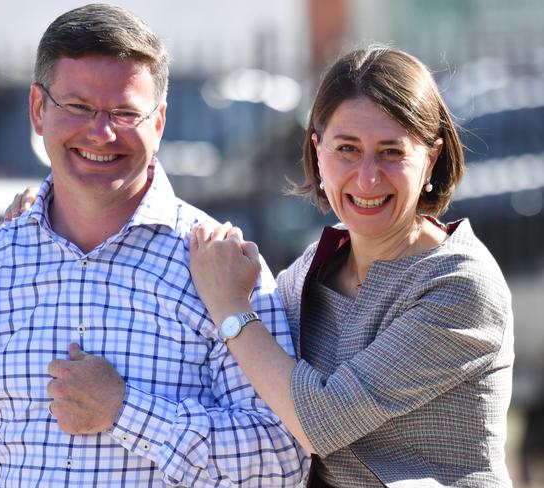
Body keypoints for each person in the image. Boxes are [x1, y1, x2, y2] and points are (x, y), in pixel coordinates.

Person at [0, 4, 308, 486]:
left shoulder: (222, 271)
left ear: (159, 122)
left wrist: (125, 411)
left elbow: (283, 463)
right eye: (78, 107)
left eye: (125, 112)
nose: (101, 131)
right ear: (37, 110)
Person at [189, 46, 514, 487]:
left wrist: (230, 307)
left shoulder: (459, 284)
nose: (367, 178)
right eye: (347, 149)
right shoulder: (310, 270)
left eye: (391, 152)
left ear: (430, 159)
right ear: (317, 151)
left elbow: (320, 420)